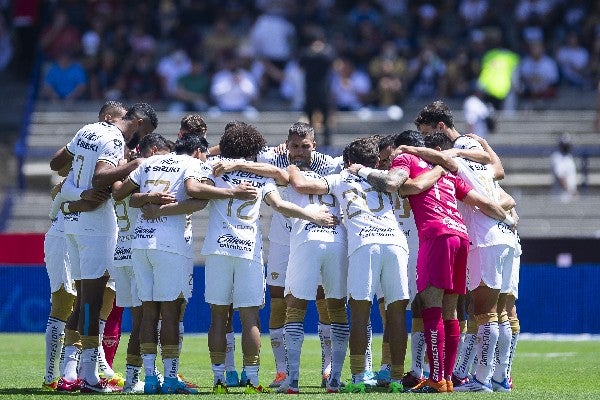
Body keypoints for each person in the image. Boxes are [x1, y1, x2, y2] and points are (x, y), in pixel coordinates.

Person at [351, 134, 515, 394]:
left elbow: (399, 185)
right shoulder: (448, 172)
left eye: (389, 155)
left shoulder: (406, 159)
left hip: (436, 235)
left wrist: (363, 170)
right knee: (451, 311)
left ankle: (436, 378)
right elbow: (483, 201)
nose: (389, 160)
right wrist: (507, 218)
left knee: (431, 307)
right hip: (461, 236)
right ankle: (446, 378)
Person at [185, 121, 337, 394]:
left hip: (218, 249)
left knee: (218, 317)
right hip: (248, 252)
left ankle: (219, 378)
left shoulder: (214, 170)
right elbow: (280, 203)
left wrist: (225, 174)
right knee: (251, 318)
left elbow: (196, 189)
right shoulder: (263, 176)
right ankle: (253, 379)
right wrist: (312, 214)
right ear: (256, 148)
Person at [290, 137, 439, 393]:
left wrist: (292, 167)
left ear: (348, 161)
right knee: (395, 313)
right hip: (396, 244)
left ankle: (359, 377)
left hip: (364, 244)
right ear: (375, 160)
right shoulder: (386, 176)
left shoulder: (339, 178)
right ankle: (394, 377)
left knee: (360, 312)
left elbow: (303, 185)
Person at [49, 102, 158, 393]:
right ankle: (89, 377)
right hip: (95, 225)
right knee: (92, 302)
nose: (139, 141)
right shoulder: (114, 139)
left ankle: (69, 372)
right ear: (139, 123)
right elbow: (101, 177)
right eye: (143, 132)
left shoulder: (89, 129)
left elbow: (57, 162)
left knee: (84, 297)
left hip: (72, 220)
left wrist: (76, 189)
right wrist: (134, 165)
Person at [112, 133, 211, 395]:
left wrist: (148, 198)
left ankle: (150, 378)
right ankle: (169, 379)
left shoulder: (146, 164)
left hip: (140, 242)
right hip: (169, 244)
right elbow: (195, 195)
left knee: (148, 312)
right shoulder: (190, 164)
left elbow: (125, 196)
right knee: (169, 311)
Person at [252, 122, 340, 389]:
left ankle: (327, 370)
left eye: (305, 146)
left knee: (323, 297)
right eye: (294, 146)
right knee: (279, 300)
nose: (299, 151)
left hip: (315, 236)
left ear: (314, 144)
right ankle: (282, 371)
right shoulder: (273, 156)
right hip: (282, 240)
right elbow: (240, 153)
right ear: (286, 144)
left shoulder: (329, 163)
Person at [551, 132, 578, 202]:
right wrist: (572, 192)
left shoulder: (569, 157)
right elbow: (561, 176)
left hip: (568, 198)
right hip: (561, 198)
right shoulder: (557, 157)